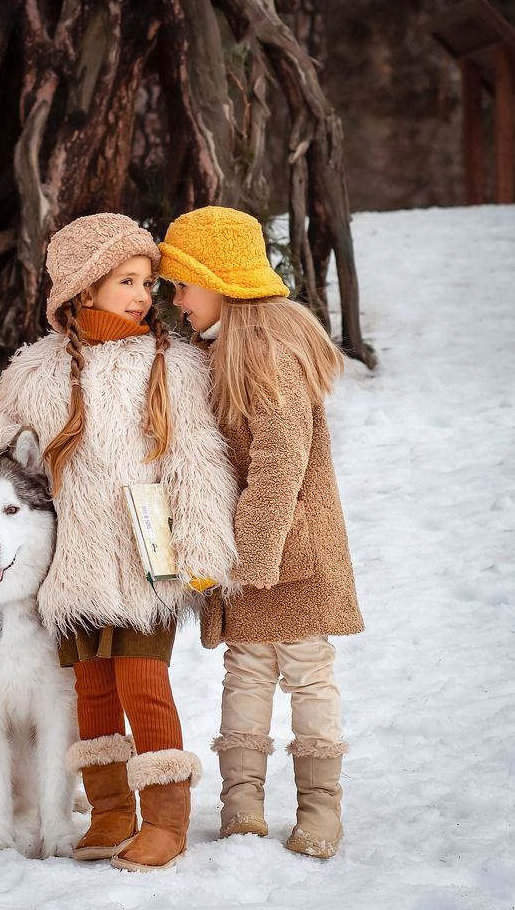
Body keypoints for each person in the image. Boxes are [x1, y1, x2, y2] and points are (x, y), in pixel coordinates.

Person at [0, 213, 238, 871]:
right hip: (70, 562)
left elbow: (195, 460)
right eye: (126, 280)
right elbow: (10, 433)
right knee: (91, 689)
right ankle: (106, 812)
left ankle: (164, 817)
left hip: (144, 557)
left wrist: (202, 548)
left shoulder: (173, 365)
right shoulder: (39, 369)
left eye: (147, 282)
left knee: (142, 684)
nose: (141, 294)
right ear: (81, 288)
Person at [158, 205, 364, 859]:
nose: (175, 300)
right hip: (243, 552)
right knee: (245, 673)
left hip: (289, 550)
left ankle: (318, 808)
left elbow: (280, 465)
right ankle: (240, 804)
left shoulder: (271, 353)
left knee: (305, 671)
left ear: (219, 280)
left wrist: (253, 555)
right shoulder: (210, 353)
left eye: (181, 285)